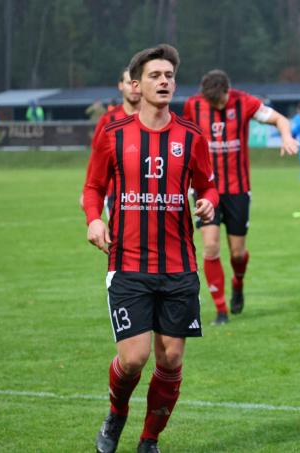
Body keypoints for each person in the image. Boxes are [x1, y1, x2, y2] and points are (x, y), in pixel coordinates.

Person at [83, 43, 218, 453]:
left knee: (171, 360)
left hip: (179, 265)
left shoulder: (190, 136)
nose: (164, 82)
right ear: (136, 85)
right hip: (128, 263)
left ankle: (149, 441)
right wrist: (94, 219)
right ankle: (116, 412)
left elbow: (207, 182)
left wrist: (209, 199)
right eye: (155, 76)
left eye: (169, 76)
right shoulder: (112, 134)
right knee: (135, 359)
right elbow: (93, 187)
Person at [182, 69, 298, 325]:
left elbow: (279, 119)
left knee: (237, 252)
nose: (217, 106)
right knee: (210, 246)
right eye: (212, 103)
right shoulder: (192, 106)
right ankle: (221, 310)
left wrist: (286, 137)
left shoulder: (244, 102)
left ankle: (238, 282)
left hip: (238, 190)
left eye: (220, 101)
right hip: (204, 189)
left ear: (227, 91)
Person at [80, 68, 142, 214]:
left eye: (137, 83)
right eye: (129, 83)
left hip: (153, 195)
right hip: (117, 194)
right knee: (119, 237)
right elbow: (96, 159)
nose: (133, 88)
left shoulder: (155, 119)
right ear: (120, 85)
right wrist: (87, 190)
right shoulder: (108, 120)